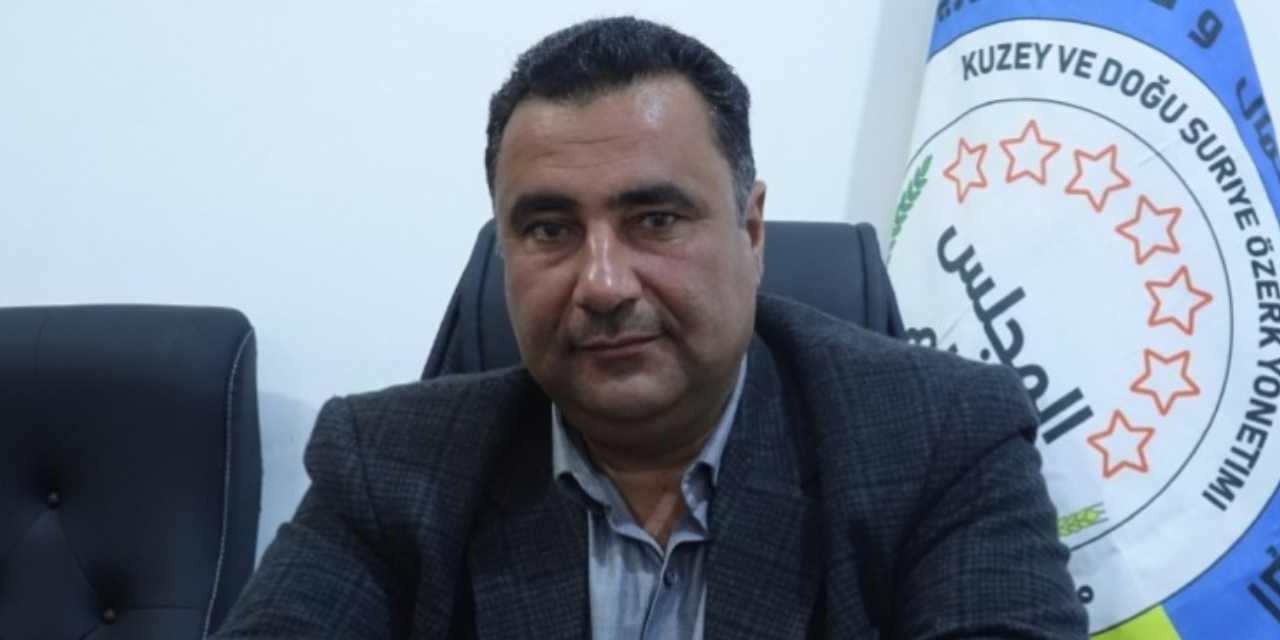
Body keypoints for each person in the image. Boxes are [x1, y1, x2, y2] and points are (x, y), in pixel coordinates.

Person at [214, 16, 1087, 639]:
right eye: (549, 230)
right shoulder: (386, 467)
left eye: (655, 220)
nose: (601, 283)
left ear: (751, 232)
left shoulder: (939, 440)